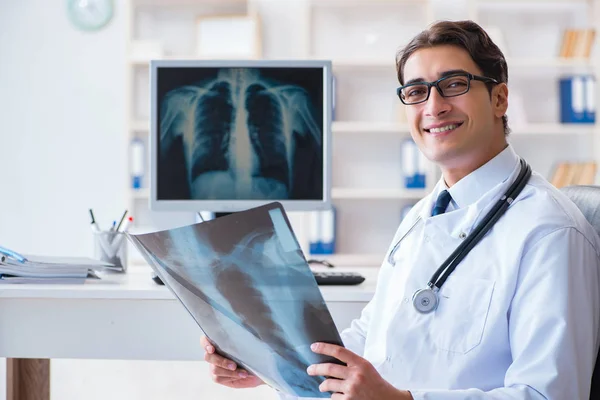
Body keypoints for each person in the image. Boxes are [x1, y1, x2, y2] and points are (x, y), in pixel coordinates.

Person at [201, 20, 600, 399]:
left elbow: (550, 394)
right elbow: (374, 335)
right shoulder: (423, 213)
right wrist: (274, 366)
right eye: (416, 91)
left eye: (454, 84)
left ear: (500, 98)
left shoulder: (549, 231)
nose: (434, 106)